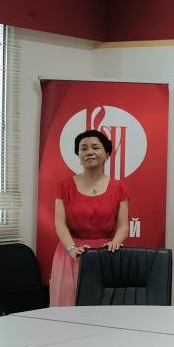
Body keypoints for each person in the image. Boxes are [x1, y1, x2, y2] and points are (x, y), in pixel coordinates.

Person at [50, 129, 129, 306]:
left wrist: (115, 242)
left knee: (104, 306)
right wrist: (72, 248)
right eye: (83, 148)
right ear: (78, 155)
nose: (89, 152)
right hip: (72, 254)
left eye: (95, 147)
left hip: (106, 254)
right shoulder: (64, 186)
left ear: (106, 154)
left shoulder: (118, 187)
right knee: (69, 306)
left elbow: (123, 225)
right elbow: (60, 224)